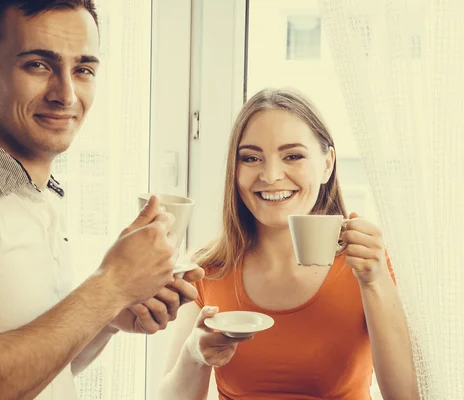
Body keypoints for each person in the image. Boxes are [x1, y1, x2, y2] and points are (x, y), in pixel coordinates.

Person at [0, 1, 204, 399]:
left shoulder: (37, 196)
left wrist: (112, 314)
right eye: (39, 65)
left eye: (83, 70)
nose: (66, 94)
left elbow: (37, 372)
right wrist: (109, 286)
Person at [158, 88, 419, 400]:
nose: (270, 176)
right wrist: (195, 355)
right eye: (251, 158)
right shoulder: (207, 268)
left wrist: (374, 279)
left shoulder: (368, 264)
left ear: (327, 164)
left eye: (292, 156)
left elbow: (406, 396)